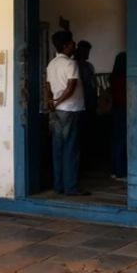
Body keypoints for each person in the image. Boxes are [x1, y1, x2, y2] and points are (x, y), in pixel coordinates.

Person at [46, 30, 89, 196]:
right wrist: (58, 101)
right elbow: (71, 88)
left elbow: (47, 86)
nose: (74, 45)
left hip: (57, 111)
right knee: (71, 149)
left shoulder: (52, 64)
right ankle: (71, 187)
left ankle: (58, 185)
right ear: (65, 46)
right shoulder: (71, 64)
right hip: (70, 110)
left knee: (58, 148)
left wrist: (51, 101)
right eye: (71, 43)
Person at [109, 51, 127, 180]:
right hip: (123, 108)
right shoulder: (124, 78)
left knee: (117, 140)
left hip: (116, 108)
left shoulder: (113, 77)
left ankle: (116, 170)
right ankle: (121, 171)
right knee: (122, 141)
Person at [75, 40, 98, 114]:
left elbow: (93, 83)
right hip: (81, 98)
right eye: (87, 51)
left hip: (88, 98)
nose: (88, 53)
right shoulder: (74, 65)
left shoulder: (89, 65)